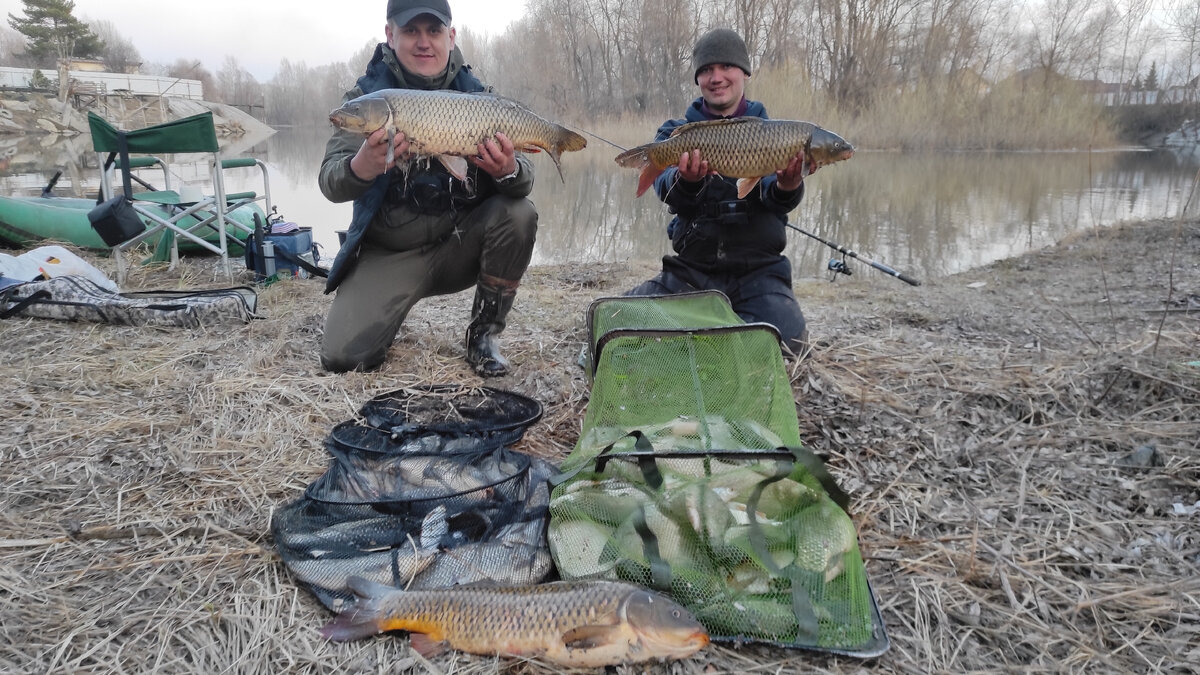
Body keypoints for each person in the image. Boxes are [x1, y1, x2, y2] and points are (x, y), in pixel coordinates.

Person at [318, 0, 537, 376]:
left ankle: (484, 335)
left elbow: (526, 180)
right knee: (342, 357)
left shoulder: (477, 96)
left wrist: (508, 169)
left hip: (459, 246)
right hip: (389, 253)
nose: (424, 42)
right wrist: (362, 167)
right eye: (411, 31)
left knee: (519, 213)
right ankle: (386, 306)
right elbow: (330, 182)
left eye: (433, 31)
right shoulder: (366, 100)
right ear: (390, 35)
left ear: (450, 37)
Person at [626, 28, 814, 355]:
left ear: (743, 73)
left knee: (789, 343)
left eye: (726, 67)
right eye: (707, 70)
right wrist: (688, 182)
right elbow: (665, 189)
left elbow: (774, 194)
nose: (717, 77)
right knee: (622, 321)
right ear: (698, 79)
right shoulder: (674, 133)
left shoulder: (775, 134)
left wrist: (788, 185)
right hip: (693, 271)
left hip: (760, 273)